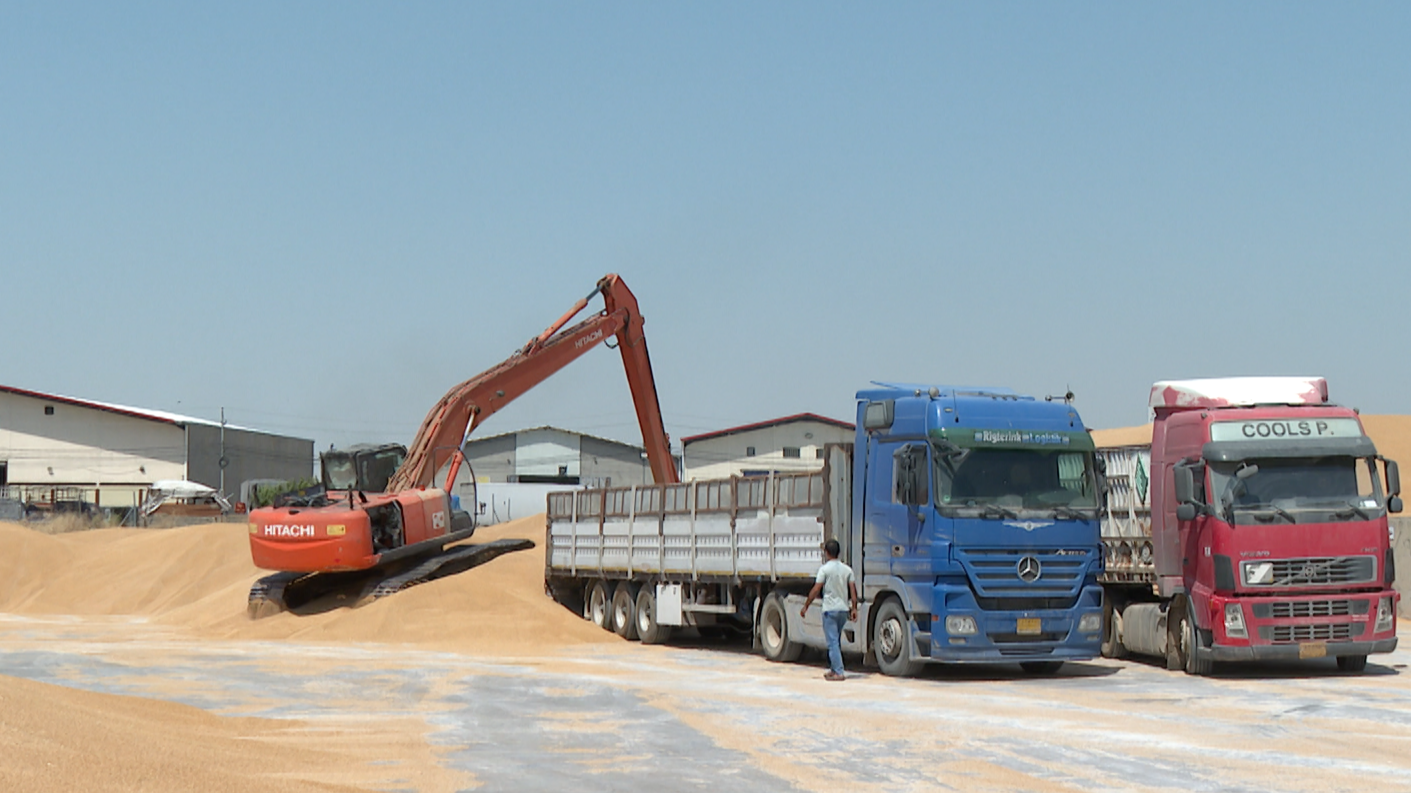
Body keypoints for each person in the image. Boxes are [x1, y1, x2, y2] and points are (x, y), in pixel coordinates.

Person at [800, 538, 858, 681]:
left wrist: (806, 605)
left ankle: (838, 671)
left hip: (830, 610)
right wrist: (854, 608)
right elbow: (853, 591)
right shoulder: (847, 570)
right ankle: (833, 669)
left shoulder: (824, 570)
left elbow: (816, 589)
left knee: (832, 642)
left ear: (826, 553)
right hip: (843, 610)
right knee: (835, 640)